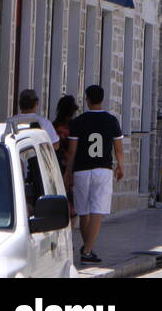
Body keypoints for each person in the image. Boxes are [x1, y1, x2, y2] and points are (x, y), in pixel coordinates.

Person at [65, 84, 124, 264]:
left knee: (83, 212)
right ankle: (88, 250)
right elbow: (118, 149)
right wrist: (121, 166)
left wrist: (68, 171)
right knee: (98, 211)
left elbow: (72, 151)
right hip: (103, 169)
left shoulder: (78, 122)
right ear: (102, 99)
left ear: (88, 100)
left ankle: (87, 249)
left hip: (82, 170)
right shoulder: (111, 121)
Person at [53, 95, 79, 226]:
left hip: (55, 166)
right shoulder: (76, 127)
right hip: (71, 166)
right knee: (72, 205)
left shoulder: (53, 126)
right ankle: (70, 235)